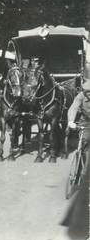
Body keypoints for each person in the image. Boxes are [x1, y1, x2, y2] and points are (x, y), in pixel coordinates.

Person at [62, 79, 90, 239]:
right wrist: (71, 121)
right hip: (85, 124)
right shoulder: (80, 95)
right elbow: (73, 107)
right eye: (86, 92)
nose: (88, 95)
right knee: (83, 145)